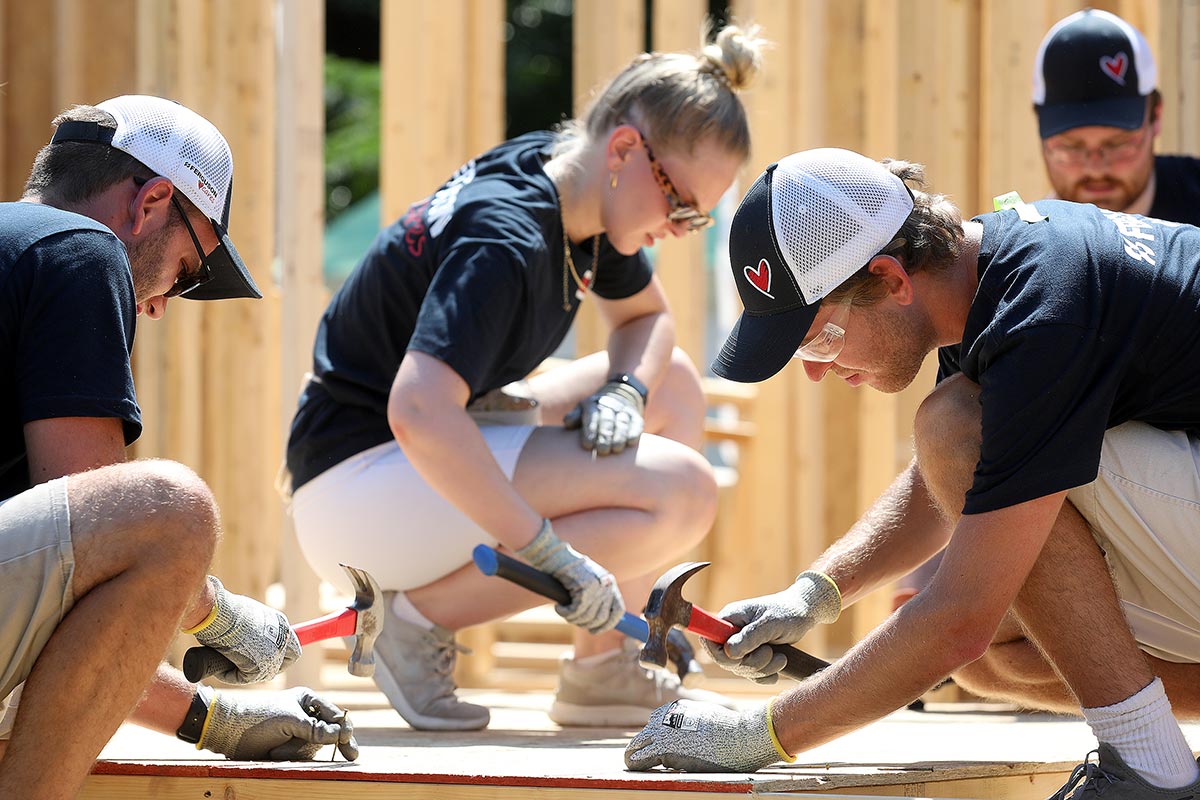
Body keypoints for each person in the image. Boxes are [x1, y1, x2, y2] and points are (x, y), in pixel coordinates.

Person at [624, 147, 1200, 799]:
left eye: (819, 339)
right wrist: (814, 594)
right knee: (1001, 650)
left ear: (892, 279)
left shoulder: (1043, 308)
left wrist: (753, 737)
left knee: (953, 433)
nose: (814, 371)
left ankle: (1154, 767)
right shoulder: (987, 274)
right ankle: (1153, 748)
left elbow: (957, 615)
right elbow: (952, 488)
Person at [285, 23, 767, 731]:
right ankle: (412, 623)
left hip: (397, 467)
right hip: (356, 491)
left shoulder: (572, 192)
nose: (686, 225)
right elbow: (418, 409)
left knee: (674, 383)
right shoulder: (505, 237)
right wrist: (550, 554)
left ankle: (602, 671)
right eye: (682, 204)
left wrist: (626, 394)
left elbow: (648, 320)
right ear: (625, 150)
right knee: (682, 494)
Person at [0, 95, 355, 800]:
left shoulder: (18, 253)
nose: (161, 304)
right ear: (152, 202)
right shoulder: (79, 250)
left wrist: (211, 720)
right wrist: (214, 614)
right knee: (169, 511)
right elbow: (90, 547)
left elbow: (55, 611)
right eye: (188, 271)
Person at [1033, 8, 1200, 222]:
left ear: (1156, 117)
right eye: (1070, 146)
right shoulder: (1022, 247)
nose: (1095, 170)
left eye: (1118, 144)